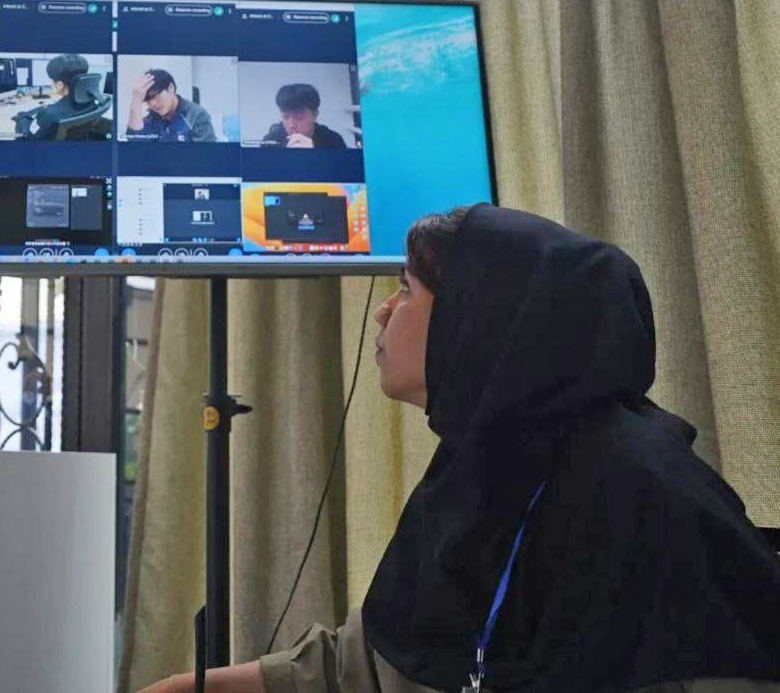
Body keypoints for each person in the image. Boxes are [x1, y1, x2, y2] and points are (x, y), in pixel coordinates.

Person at [138, 204, 780, 692]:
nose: (385, 313)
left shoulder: (640, 491)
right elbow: (390, 655)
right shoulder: (490, 457)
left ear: (477, 319)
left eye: (407, 290)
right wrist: (196, 685)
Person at [14, 54, 95, 140]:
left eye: (51, 80)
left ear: (60, 85)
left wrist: (21, 117)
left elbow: (28, 135)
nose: (50, 83)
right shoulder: (91, 101)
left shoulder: (47, 115)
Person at [126, 69, 216, 142]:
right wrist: (136, 101)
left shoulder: (197, 116)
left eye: (155, 96)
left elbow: (206, 156)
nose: (152, 104)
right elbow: (134, 143)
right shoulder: (153, 117)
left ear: (171, 88)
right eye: (147, 100)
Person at [261, 83, 347, 149]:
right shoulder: (270, 141)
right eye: (286, 117)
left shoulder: (333, 140)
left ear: (315, 114)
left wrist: (313, 156)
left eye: (299, 117)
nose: (291, 125)